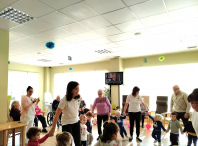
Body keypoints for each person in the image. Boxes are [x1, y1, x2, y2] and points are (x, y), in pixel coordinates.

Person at [49, 81, 81, 146]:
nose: (78, 90)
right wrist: (53, 129)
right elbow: (57, 115)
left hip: (76, 122)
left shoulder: (78, 97)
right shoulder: (64, 100)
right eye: (75, 89)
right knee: (68, 144)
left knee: (78, 143)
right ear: (70, 90)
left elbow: (77, 104)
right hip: (67, 124)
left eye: (78, 88)